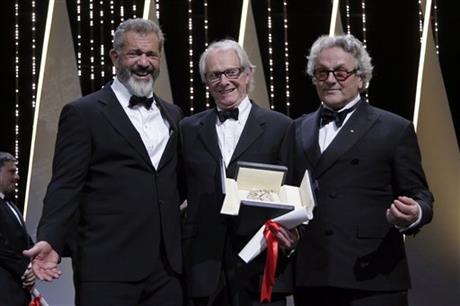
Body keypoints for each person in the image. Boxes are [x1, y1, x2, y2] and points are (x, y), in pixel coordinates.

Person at [23, 18, 183, 306]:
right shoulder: (83, 113)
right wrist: (51, 238)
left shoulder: (174, 115)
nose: (144, 62)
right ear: (115, 57)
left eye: (151, 54)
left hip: (167, 270)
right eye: (135, 53)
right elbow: (65, 185)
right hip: (107, 266)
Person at [286, 34, 434, 306]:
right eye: (322, 72)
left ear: (361, 78)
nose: (331, 79)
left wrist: (415, 213)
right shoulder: (296, 128)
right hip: (313, 275)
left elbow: (420, 194)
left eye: (341, 72)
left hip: (373, 275)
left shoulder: (393, 128)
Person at [180, 39, 297, 306]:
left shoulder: (281, 127)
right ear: (206, 82)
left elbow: (292, 192)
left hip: (260, 264)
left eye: (231, 72)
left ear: (247, 74)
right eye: (214, 75)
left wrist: (292, 236)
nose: (224, 81)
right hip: (204, 265)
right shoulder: (188, 128)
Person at [0, 152, 35, 305]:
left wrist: (37, 263)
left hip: (18, 292)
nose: (17, 177)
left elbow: (24, 240)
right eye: (12, 171)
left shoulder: (11, 205)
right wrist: (26, 270)